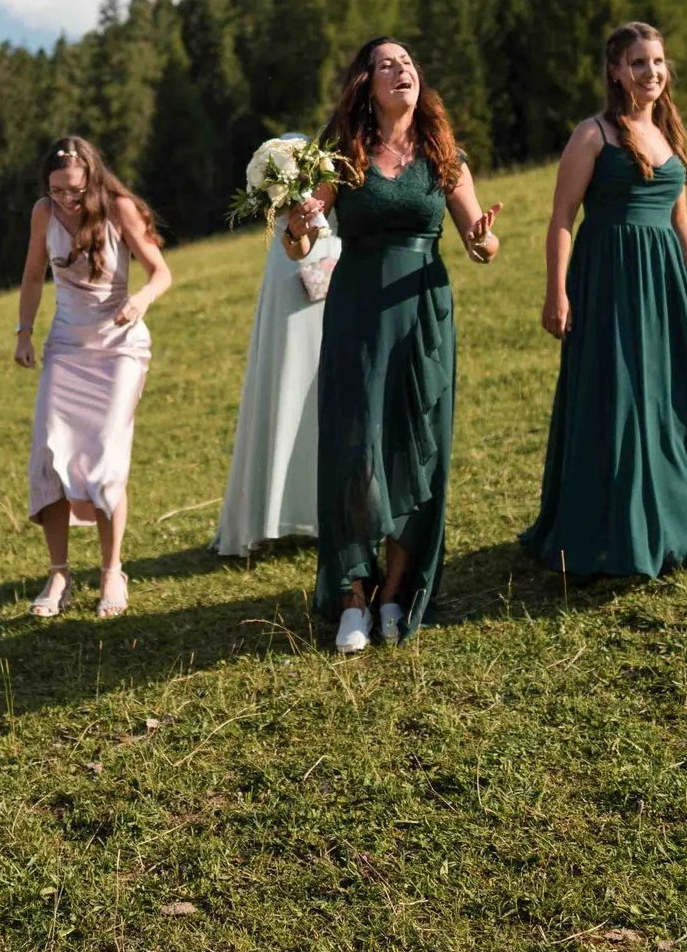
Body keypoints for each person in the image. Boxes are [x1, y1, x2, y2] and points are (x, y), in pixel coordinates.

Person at [285, 40, 500, 653]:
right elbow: (301, 243)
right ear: (367, 84)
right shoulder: (342, 155)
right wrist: (297, 226)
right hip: (357, 311)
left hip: (423, 312)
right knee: (355, 448)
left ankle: (395, 595)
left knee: (416, 448)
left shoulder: (444, 155)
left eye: (407, 62)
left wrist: (483, 240)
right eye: (387, 65)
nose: (401, 70)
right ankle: (353, 595)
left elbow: (481, 244)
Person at [518, 23, 687, 578]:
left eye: (657, 61)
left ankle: (670, 522)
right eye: (637, 62)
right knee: (617, 397)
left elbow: (680, 218)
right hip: (608, 280)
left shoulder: (668, 133)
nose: (651, 72)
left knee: (665, 397)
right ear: (614, 71)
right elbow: (563, 217)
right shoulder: (594, 134)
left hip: (667, 285)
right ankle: (609, 532)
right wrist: (556, 290)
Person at [14, 136, 172, 618]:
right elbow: (33, 274)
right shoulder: (44, 213)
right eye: (57, 190)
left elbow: (160, 273)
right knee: (49, 452)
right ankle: (59, 573)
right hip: (66, 346)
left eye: (76, 190)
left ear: (93, 180)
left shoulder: (119, 209)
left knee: (105, 454)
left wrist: (140, 300)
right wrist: (24, 332)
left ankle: (111, 571)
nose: (67, 199)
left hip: (119, 348)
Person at [213, 135, 342, 558]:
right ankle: (268, 515)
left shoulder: (349, 149)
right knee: (286, 379)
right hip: (290, 274)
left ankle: (331, 510)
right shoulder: (293, 146)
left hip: (338, 260)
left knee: (329, 387)